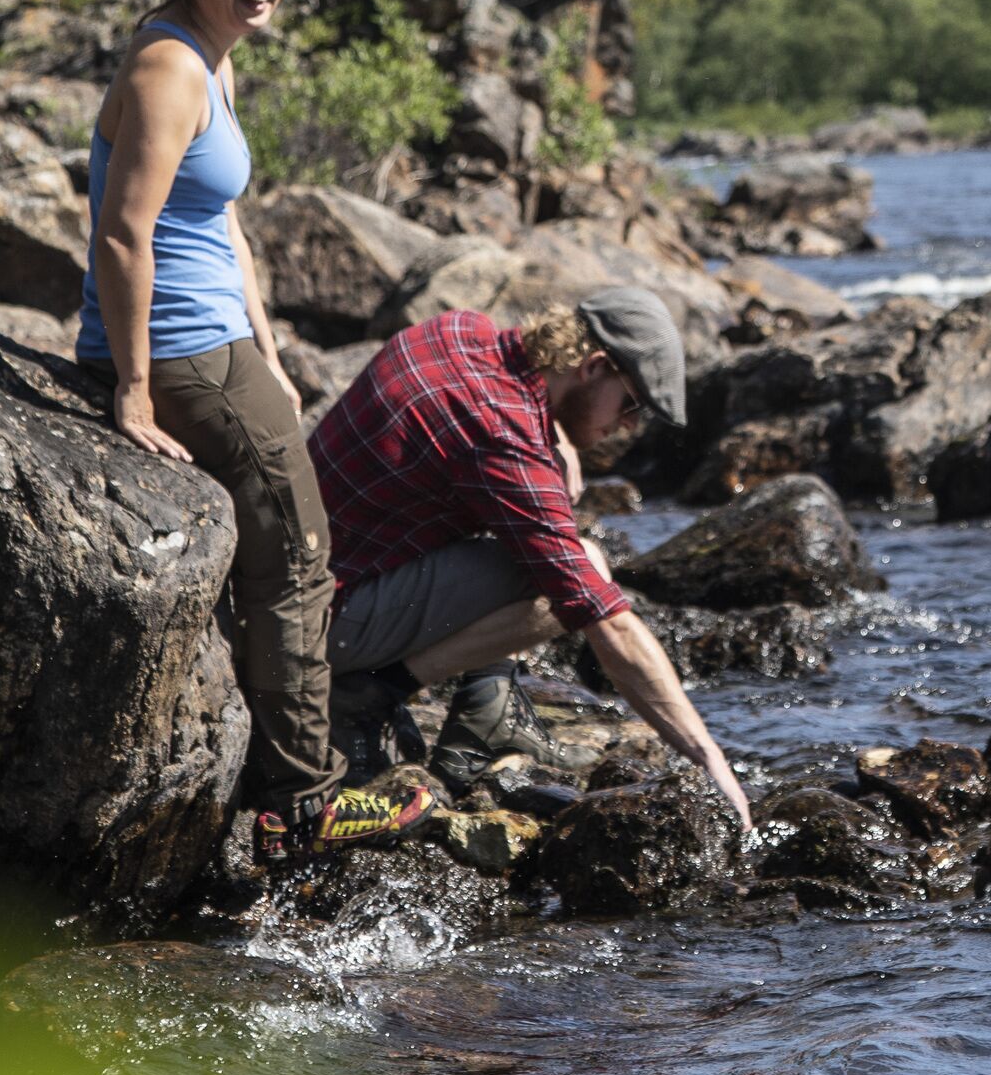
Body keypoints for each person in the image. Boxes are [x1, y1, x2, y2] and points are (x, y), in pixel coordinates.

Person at [77, 0, 431, 862]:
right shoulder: (167, 68)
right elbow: (122, 235)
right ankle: (305, 802)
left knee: (284, 547)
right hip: (178, 349)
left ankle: (271, 770)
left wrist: (269, 347)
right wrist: (134, 387)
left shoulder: (212, 60)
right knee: (301, 552)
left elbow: (220, 220)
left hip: (220, 341)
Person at [310, 286, 751, 829]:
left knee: (545, 532)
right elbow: (604, 619)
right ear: (593, 366)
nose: (629, 428)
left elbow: (508, 432)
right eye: (632, 404)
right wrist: (708, 757)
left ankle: (485, 704)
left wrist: (556, 444)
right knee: (571, 569)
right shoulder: (503, 435)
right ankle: (367, 697)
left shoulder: (461, 330)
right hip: (321, 625)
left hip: (303, 579)